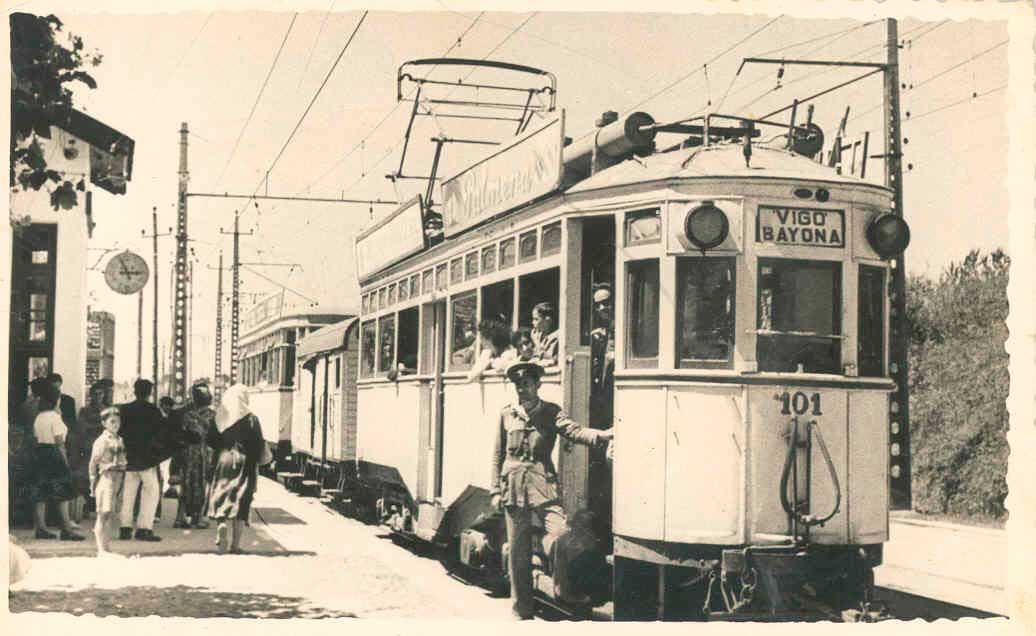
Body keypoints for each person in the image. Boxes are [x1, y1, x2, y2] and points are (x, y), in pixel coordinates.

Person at [489, 361, 612, 620]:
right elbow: (498, 454)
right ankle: (521, 612)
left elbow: (574, 431)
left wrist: (601, 436)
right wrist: (495, 491)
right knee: (518, 552)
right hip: (512, 487)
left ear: (537, 385)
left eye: (526, 383)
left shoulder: (550, 412)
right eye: (518, 384)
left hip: (543, 485)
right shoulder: (506, 414)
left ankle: (564, 589)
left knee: (561, 533)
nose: (522, 388)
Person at [207, 384, 272, 553]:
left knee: (222, 495)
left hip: (224, 459)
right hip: (245, 462)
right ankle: (235, 545)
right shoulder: (252, 419)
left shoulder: (220, 417)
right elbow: (258, 444)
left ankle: (221, 524)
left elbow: (211, 441)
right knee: (242, 500)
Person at [30, 384, 85, 541]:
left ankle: (40, 528)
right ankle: (67, 529)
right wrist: (65, 461)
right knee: (63, 493)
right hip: (54, 454)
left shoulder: (39, 417)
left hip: (40, 453)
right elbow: (60, 442)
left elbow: (35, 437)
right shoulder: (55, 418)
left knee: (40, 493)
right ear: (56, 400)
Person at [117, 379, 164, 541]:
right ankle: (144, 528)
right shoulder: (153, 411)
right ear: (150, 392)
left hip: (130, 456)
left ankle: (125, 527)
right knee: (151, 492)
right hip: (147, 458)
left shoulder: (125, 409)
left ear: (135, 391)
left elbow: (120, 431)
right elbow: (160, 433)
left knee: (128, 492)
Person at [172, 382, 215, 529]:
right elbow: (213, 436)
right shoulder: (211, 415)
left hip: (185, 453)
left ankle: (180, 517)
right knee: (200, 486)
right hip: (202, 454)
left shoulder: (185, 414)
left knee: (185, 484)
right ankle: (197, 518)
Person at [89, 407, 127, 556]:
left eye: (118, 421)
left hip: (119, 477)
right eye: (112, 422)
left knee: (112, 513)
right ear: (104, 423)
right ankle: (100, 549)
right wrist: (92, 480)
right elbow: (93, 462)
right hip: (107, 477)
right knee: (103, 513)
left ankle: (107, 546)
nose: (116, 424)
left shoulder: (119, 439)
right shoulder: (102, 441)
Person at [71, 379, 112, 514]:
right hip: (88, 449)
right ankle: (88, 504)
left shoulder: (108, 410)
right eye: (95, 394)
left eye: (100, 394)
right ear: (91, 395)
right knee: (87, 476)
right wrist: (98, 426)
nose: (98, 397)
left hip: (105, 449)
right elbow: (81, 428)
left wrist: (92, 427)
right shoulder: (85, 410)